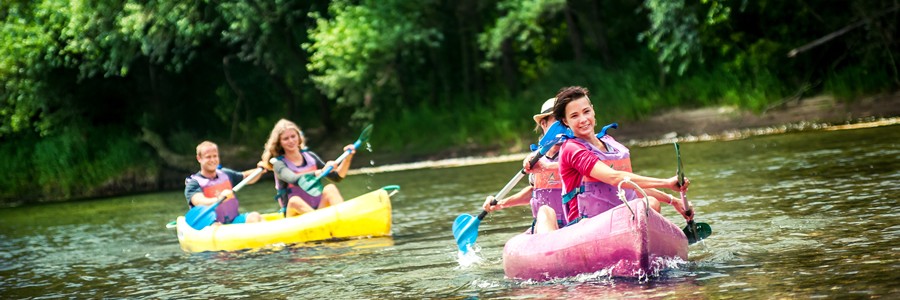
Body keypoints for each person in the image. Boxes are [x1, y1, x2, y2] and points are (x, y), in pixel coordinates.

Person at [552, 86, 690, 225]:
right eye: (574, 116)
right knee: (649, 204)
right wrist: (666, 183)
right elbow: (614, 177)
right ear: (565, 121)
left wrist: (673, 200)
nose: (583, 119)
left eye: (586, 111)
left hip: (619, 219)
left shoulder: (609, 142)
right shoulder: (572, 149)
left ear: (593, 110)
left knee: (649, 204)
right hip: (586, 225)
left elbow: (630, 184)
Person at [481, 98, 565, 234]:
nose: (564, 124)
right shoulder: (536, 157)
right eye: (558, 120)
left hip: (572, 224)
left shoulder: (575, 151)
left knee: (545, 213)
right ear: (544, 124)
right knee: (544, 213)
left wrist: (546, 167)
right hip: (546, 226)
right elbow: (535, 192)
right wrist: (500, 204)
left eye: (565, 119)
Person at [260, 119, 356, 217]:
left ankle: (345, 219)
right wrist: (319, 172)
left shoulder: (310, 157)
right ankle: (320, 220)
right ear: (279, 143)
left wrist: (347, 158)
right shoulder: (278, 164)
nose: (291, 141)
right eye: (286, 139)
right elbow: (293, 179)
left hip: (317, 210)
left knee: (330, 189)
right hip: (294, 215)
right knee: (294, 201)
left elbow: (337, 177)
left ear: (299, 137)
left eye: (293, 136)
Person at [184, 141, 264, 225]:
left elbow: (247, 177)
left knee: (255, 216)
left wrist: (261, 169)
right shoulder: (193, 183)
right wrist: (219, 199)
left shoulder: (225, 174)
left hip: (233, 221)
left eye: (215, 156)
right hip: (211, 225)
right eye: (208, 157)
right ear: (199, 158)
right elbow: (199, 201)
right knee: (215, 225)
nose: (212, 160)